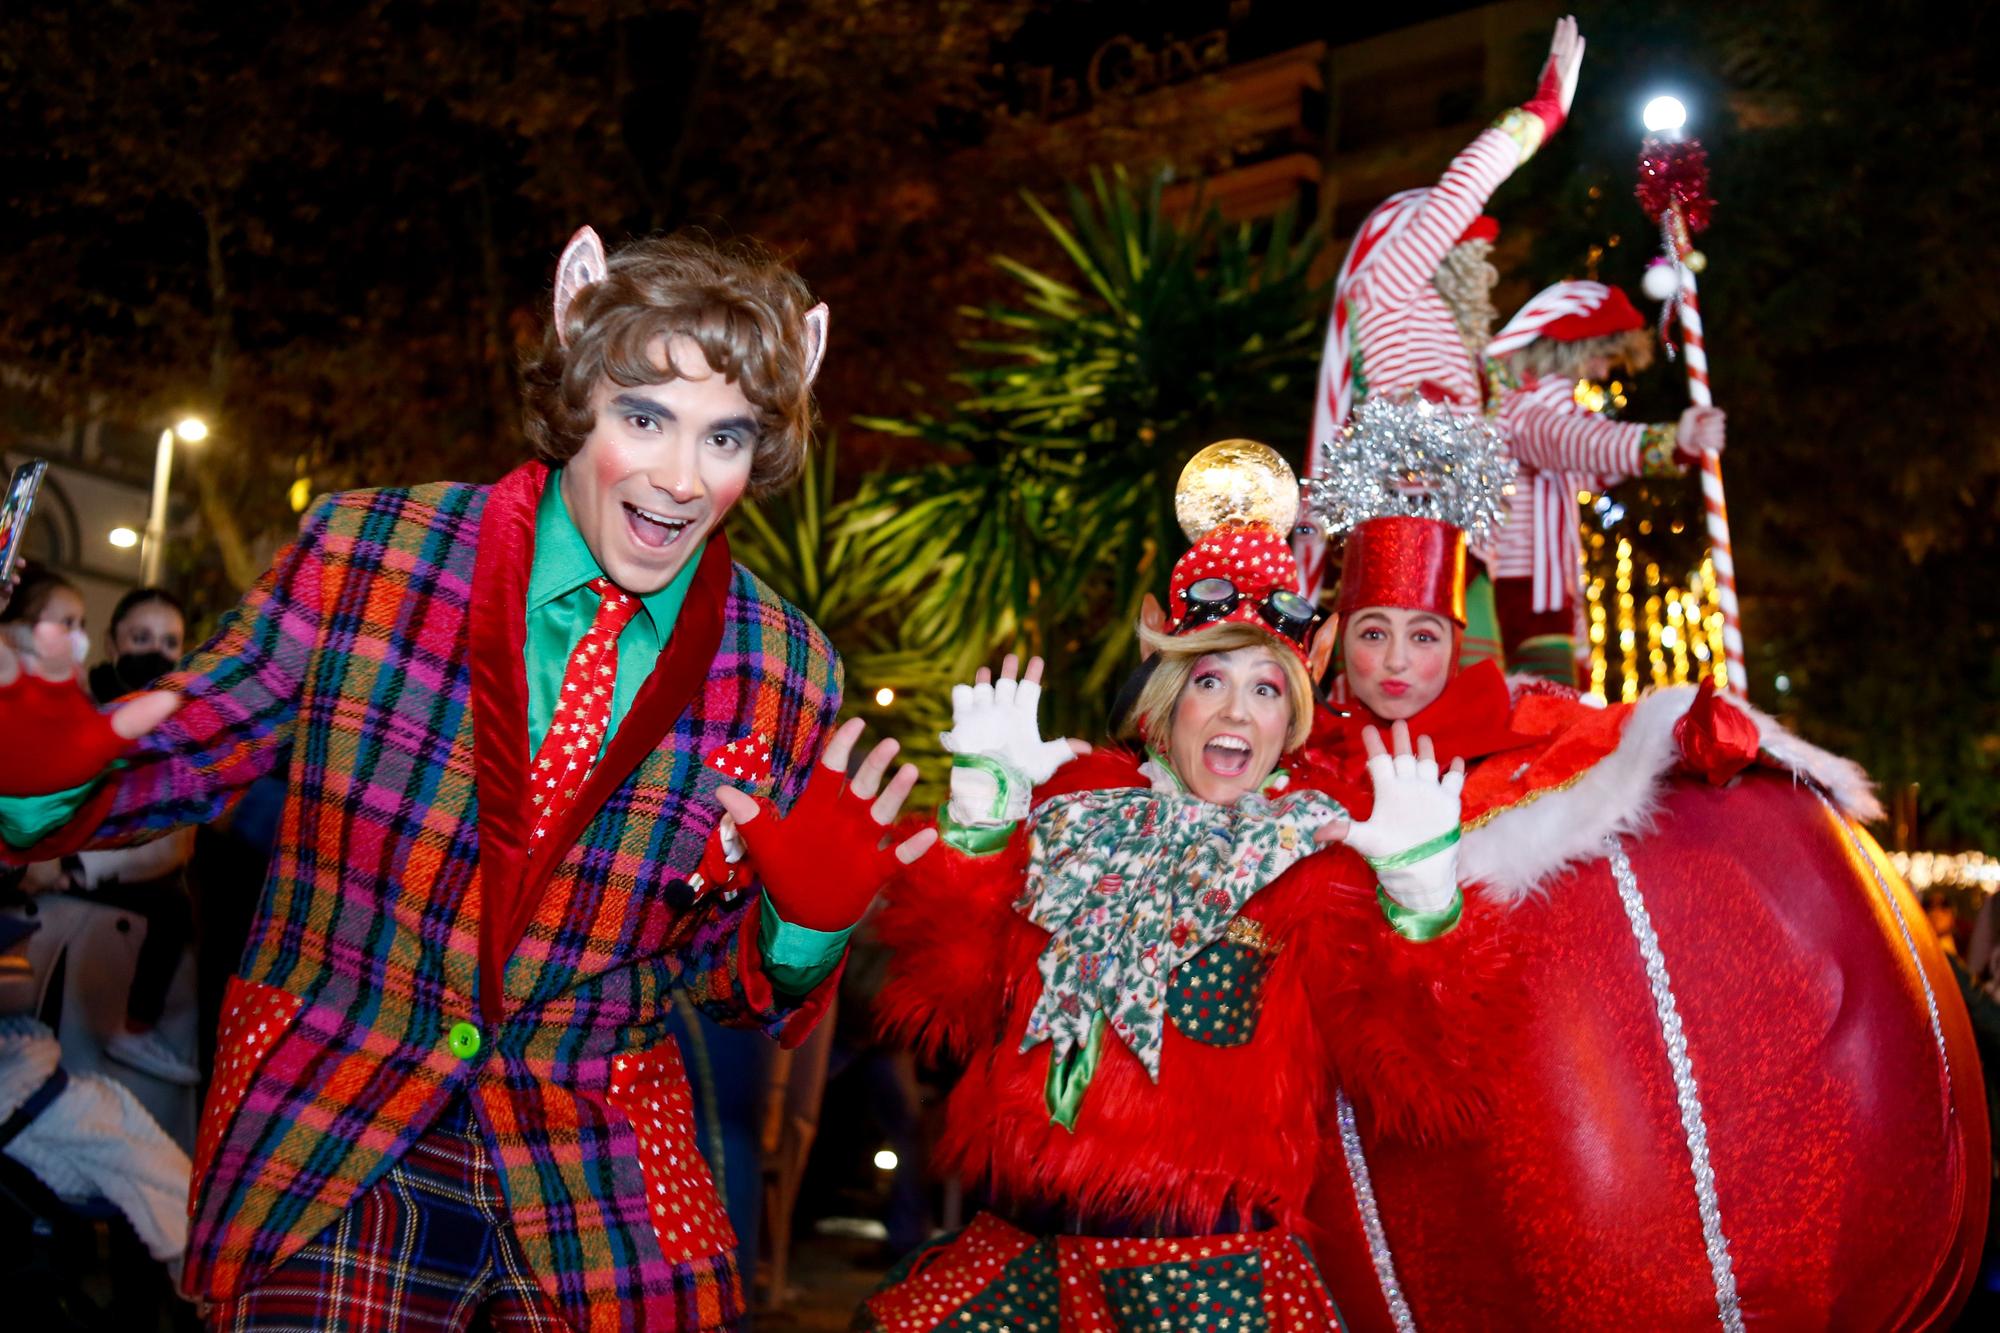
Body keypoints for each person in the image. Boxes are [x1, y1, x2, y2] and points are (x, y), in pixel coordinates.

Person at [0, 227, 933, 1332]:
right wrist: (41, 778)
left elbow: (722, 985)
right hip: (333, 1130)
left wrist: (800, 934)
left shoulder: (783, 668)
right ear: (578, 386)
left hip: (596, 1174)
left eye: (723, 436)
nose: (682, 480)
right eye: (645, 419)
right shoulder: (370, 551)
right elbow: (187, 750)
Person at [1293, 447, 1987, 1328]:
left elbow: (1612, 732)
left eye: (1422, 635)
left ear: (1453, 639)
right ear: (1337, 637)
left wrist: (1696, 731)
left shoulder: (1514, 716)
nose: (1397, 661)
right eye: (1373, 632)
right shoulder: (1301, 765)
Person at [856, 450, 1513, 1330]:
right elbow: (947, 1003)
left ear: (1293, 718)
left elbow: (1423, 1086)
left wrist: (1422, 906)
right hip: (1025, 1256)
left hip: (1207, 1279)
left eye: (1266, 688)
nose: (1237, 712)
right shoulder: (1073, 813)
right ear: (1166, 695)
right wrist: (981, 826)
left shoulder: (1314, 865)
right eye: (1210, 680)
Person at [1302, 14, 1585, 667]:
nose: (1470, 248)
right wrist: (1537, 118)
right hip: (1406, 540)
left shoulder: (1456, 343)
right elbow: (1459, 191)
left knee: (1474, 717)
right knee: (1408, 697)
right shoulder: (1386, 288)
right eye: (1458, 239)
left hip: (1461, 558)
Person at [1479, 280, 1726, 680]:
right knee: (1539, 711)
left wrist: (1679, 446)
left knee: (1550, 708)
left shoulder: (1550, 399)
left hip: (1545, 585)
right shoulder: (1514, 397)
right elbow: (1567, 441)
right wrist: (1669, 442)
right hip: (1513, 583)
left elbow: (1592, 457)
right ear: (1574, 345)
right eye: (1604, 356)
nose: (1602, 371)